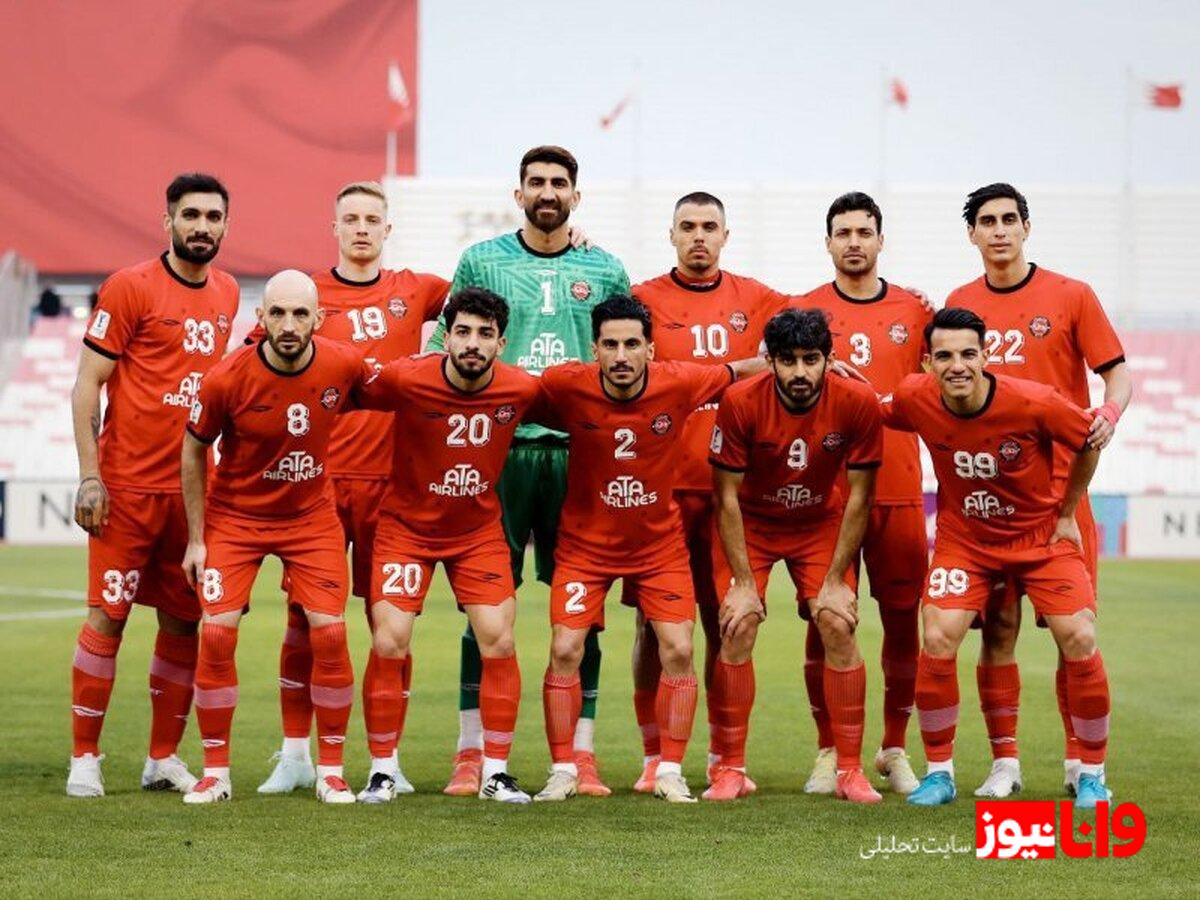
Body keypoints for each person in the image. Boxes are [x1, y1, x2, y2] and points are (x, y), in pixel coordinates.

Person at [428, 146, 630, 796]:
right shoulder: (482, 261)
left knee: (584, 614)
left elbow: (628, 354)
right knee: (486, 608)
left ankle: (580, 756)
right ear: (518, 194)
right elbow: (442, 347)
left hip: (579, 454)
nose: (548, 192)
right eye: (536, 182)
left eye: (559, 183)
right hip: (502, 451)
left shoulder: (605, 268)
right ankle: (470, 753)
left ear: (576, 195)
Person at [254, 181, 449, 798]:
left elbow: (485, 294)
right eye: (351, 219)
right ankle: (295, 754)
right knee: (303, 620)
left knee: (390, 624)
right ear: (333, 227)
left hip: (393, 487)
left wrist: (567, 241)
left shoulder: (417, 290)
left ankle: (386, 758)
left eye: (372, 219)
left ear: (387, 229)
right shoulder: (303, 298)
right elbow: (253, 368)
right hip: (317, 485)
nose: (361, 228)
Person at [529, 295, 764, 804]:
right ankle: (563, 769)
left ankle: (669, 771)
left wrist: (812, 365)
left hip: (658, 547)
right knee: (565, 649)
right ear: (594, 348)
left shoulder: (678, 381)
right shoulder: (566, 384)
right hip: (584, 548)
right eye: (610, 345)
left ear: (650, 350)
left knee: (679, 648)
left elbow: (737, 369)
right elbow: (503, 393)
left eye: (632, 344)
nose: (621, 356)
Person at [883, 308, 1111, 809]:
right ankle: (939, 774)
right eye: (944, 356)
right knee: (938, 634)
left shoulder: (1035, 401)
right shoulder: (914, 396)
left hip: (1040, 539)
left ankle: (1093, 775)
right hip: (966, 542)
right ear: (928, 363)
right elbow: (872, 408)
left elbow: (1089, 440)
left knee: (1079, 634)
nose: (957, 365)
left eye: (968, 354)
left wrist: (1068, 510)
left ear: (985, 356)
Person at [945, 183, 1130, 799]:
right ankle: (1005, 764)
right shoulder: (960, 303)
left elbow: (1117, 375)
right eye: (987, 221)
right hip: (989, 501)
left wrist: (1110, 413)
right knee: (998, 630)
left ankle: (1081, 764)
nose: (999, 230)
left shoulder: (1072, 295)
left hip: (1060, 500)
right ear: (972, 234)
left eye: (1009, 219)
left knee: (1073, 633)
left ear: (1027, 227)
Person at [67, 172, 239, 798]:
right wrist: (90, 477)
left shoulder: (226, 292)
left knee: (183, 623)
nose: (202, 227)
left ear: (225, 225)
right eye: (190, 215)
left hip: (192, 496)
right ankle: (84, 757)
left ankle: (161, 758)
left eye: (213, 217)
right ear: (168, 221)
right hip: (127, 489)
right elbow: (87, 384)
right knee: (107, 618)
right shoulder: (130, 286)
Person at [179, 270, 372, 804]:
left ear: (319, 319)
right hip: (235, 518)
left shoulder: (344, 364)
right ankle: (215, 773)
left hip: (310, 518)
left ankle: (330, 771)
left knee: (330, 634)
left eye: (300, 314)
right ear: (260, 317)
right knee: (217, 634)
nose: (288, 325)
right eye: (278, 313)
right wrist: (196, 539)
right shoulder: (225, 378)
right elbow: (193, 450)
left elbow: (398, 393)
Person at [625, 191, 789, 793]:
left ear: (725, 235)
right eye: (688, 226)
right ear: (671, 235)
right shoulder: (642, 299)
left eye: (709, 226)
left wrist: (918, 302)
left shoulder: (760, 300)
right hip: (661, 493)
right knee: (651, 627)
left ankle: (725, 758)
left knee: (728, 624)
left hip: (731, 495)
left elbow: (825, 323)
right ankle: (653, 757)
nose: (699, 236)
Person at [351, 288, 540, 804]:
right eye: (463, 331)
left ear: (501, 343)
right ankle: (383, 770)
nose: (472, 343)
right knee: (390, 640)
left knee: (498, 639)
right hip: (405, 531)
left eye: (484, 334)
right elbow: (342, 390)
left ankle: (496, 772)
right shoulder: (406, 377)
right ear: (446, 337)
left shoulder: (522, 388)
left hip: (476, 534)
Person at [708, 308, 884, 803]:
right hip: (752, 522)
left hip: (819, 522)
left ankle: (849, 770)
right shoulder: (740, 401)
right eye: (788, 360)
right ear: (770, 362)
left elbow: (860, 496)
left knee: (837, 622)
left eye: (811, 359)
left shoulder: (857, 401)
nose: (800, 371)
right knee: (738, 623)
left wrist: (834, 580)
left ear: (830, 358)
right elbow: (725, 498)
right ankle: (730, 769)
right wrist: (744, 584)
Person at [797, 192, 930, 795]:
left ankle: (894, 749)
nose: (854, 242)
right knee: (826, 620)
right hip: (826, 496)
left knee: (902, 623)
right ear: (827, 242)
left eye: (864, 232)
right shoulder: (802, 312)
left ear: (881, 240)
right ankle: (829, 749)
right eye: (843, 232)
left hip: (898, 488)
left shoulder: (916, 311)